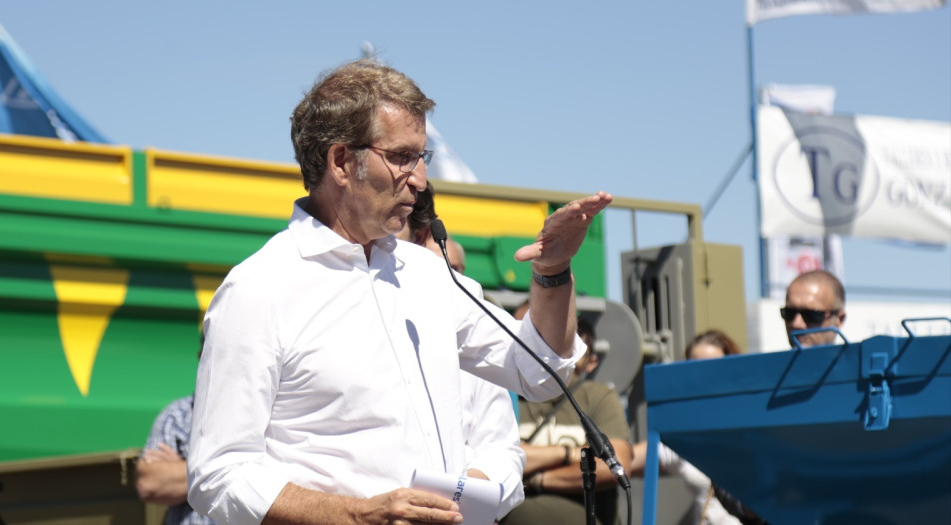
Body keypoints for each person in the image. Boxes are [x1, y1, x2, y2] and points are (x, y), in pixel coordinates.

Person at [187, 59, 612, 525]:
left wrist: (553, 271)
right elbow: (219, 474)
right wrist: (357, 515)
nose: (421, 179)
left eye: (421, 157)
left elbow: (541, 374)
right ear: (342, 162)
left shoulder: (429, 277)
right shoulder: (258, 290)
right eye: (401, 156)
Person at [400, 184, 526, 520]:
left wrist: (463, 490)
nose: (449, 279)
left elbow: (504, 452)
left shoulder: (476, 338)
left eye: (457, 270)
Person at [502, 317, 632, 525]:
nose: (554, 348)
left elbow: (614, 466)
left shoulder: (598, 396)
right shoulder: (509, 396)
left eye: (573, 345)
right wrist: (569, 454)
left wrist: (538, 480)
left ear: (591, 362)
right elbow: (498, 459)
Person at [629, 330, 748, 525]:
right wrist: (571, 455)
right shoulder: (685, 433)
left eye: (711, 370)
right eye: (692, 369)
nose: (700, 380)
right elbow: (625, 460)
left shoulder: (752, 429)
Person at [136, 342, 214, 525]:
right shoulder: (178, 416)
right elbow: (150, 482)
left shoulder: (269, 414)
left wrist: (180, 469)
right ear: (201, 355)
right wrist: (237, 468)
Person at [781, 270, 846, 348]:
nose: (796, 324)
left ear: (839, 319)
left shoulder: (860, 359)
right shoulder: (765, 360)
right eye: (789, 313)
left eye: (812, 315)